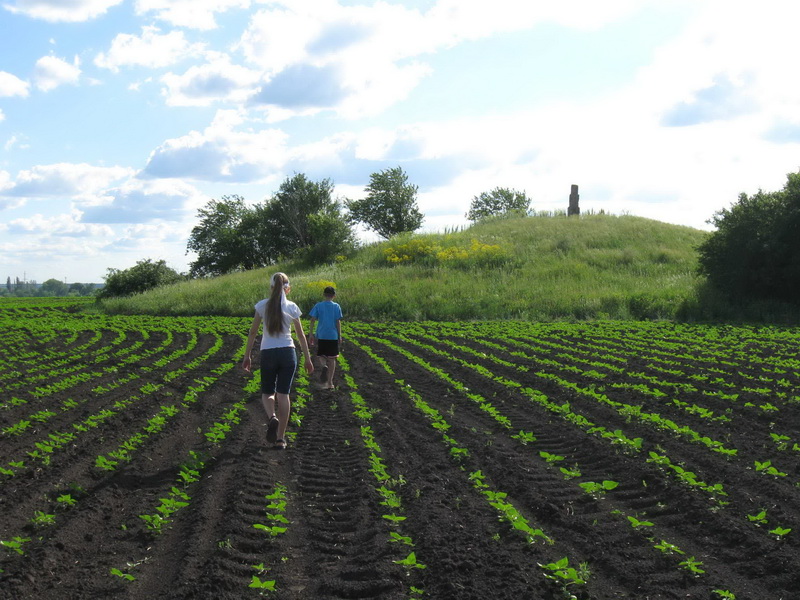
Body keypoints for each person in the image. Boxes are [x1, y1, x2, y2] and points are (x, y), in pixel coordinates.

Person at [242, 272, 313, 450]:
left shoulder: (261, 306)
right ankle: (281, 438)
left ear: (271, 287)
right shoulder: (292, 307)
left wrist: (247, 355)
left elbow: (252, 332)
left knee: (267, 392)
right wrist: (308, 358)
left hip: (268, 353)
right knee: (284, 394)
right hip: (288, 353)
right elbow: (301, 335)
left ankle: (272, 417)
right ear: (287, 288)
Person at [307, 286, 343, 390]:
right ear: (334, 296)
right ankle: (330, 383)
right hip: (332, 335)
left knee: (321, 355)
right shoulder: (336, 306)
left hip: (321, 334)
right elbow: (338, 321)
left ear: (324, 295)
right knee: (332, 359)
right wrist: (339, 335)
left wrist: (310, 334)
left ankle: (323, 366)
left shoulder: (319, 305)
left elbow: (312, 320)